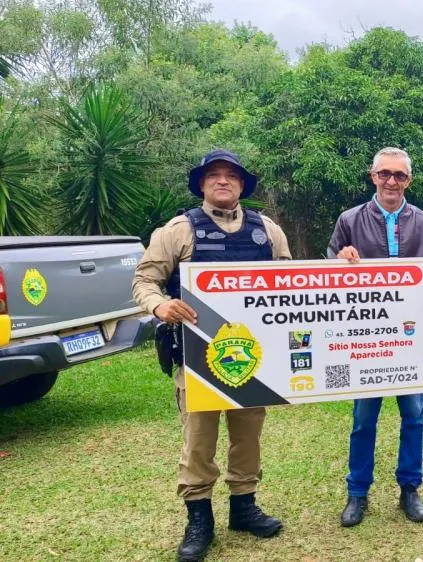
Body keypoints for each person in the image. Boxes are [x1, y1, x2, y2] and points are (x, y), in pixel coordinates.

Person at [132, 149, 292, 562]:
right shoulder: (178, 231)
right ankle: (198, 517)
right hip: (196, 356)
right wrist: (159, 306)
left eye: (231, 176)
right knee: (199, 440)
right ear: (202, 184)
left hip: (253, 358)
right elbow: (145, 280)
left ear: (242, 185)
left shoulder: (269, 231)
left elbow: (290, 283)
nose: (223, 181)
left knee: (248, 435)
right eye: (214, 175)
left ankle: (244, 507)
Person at [326, 146, 423, 528]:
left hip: (410, 341)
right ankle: (357, 492)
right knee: (364, 420)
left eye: (400, 175)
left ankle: (410, 489)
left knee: (413, 417)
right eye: (385, 174)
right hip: (367, 341)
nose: (392, 181)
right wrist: (338, 261)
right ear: (372, 176)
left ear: (409, 180)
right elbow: (327, 269)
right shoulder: (349, 220)